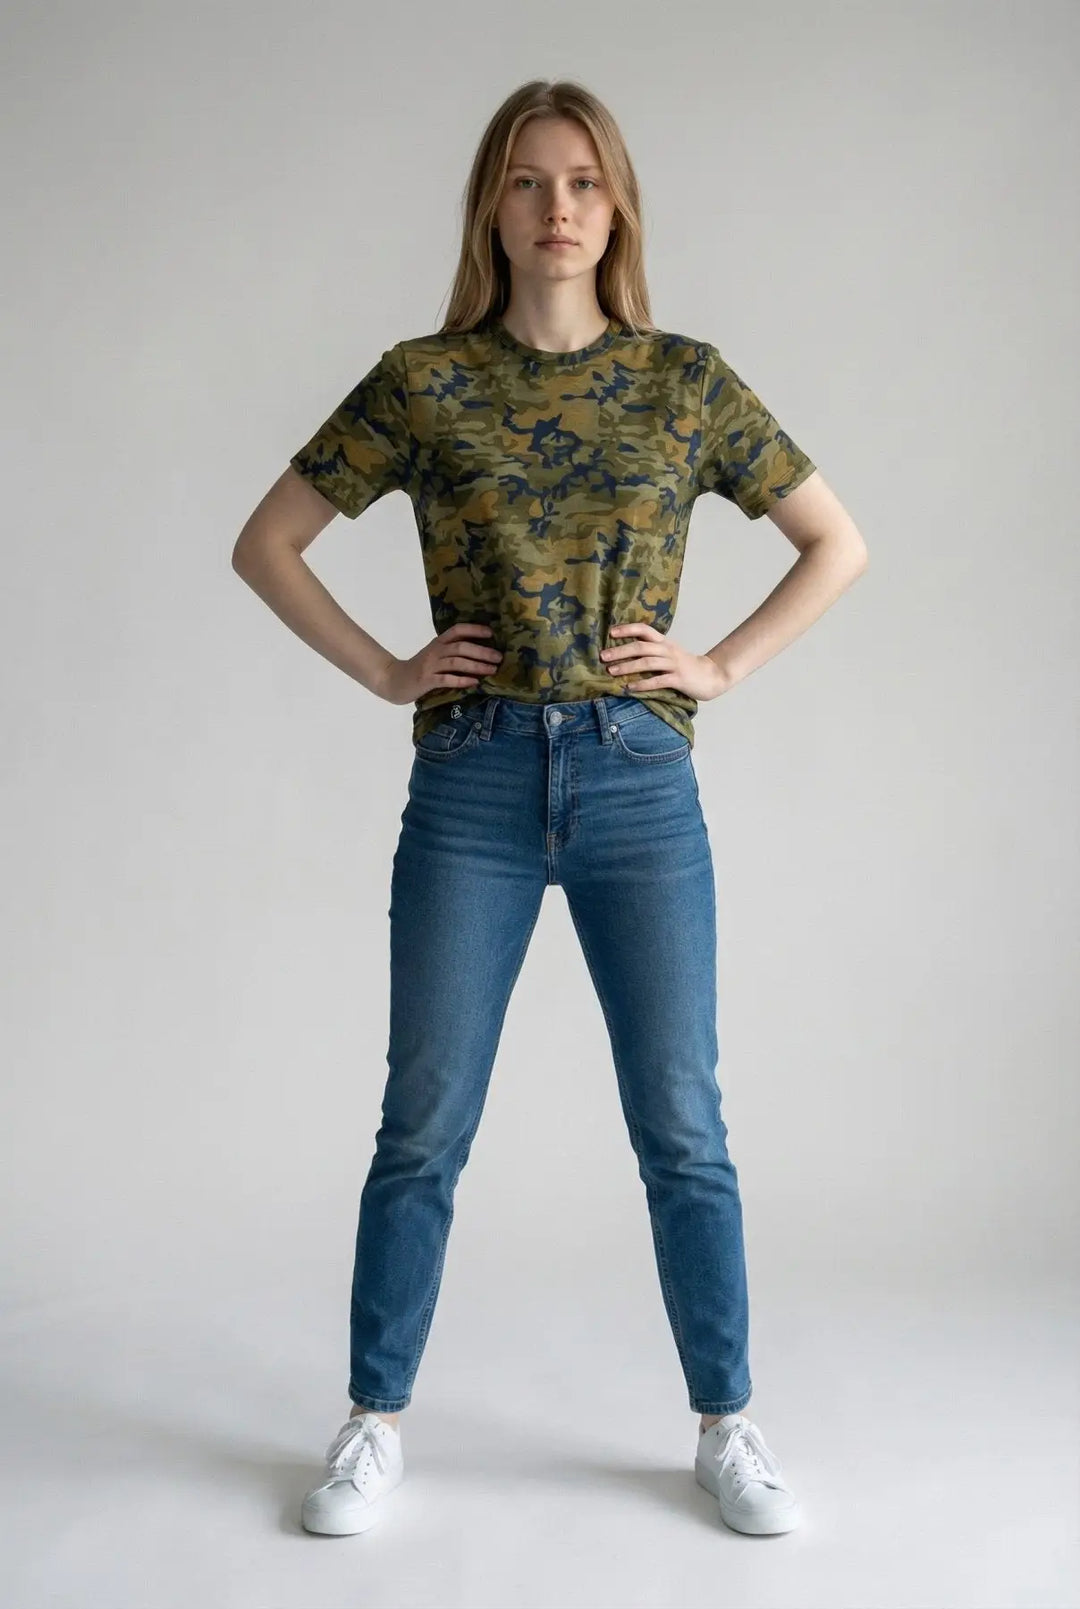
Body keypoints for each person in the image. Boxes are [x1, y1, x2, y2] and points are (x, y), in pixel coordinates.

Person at [232, 78, 867, 1540]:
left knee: (682, 1119)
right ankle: (373, 1421)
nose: (558, 207)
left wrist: (718, 666)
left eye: (583, 181)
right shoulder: (424, 382)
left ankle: (727, 1423)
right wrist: (389, 669)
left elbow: (835, 541)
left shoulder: (684, 382)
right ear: (492, 209)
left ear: (618, 206)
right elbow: (269, 542)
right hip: (474, 777)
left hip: (639, 777)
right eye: (528, 181)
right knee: (424, 1117)